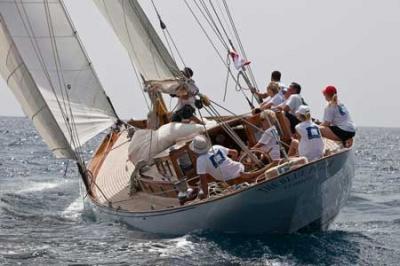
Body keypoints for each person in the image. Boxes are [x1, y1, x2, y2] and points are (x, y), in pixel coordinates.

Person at [190, 135, 263, 198]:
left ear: (195, 150)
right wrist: (232, 163)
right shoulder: (216, 147)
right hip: (243, 169)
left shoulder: (200, 160)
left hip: (232, 181)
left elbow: (203, 181)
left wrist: (206, 197)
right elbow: (235, 152)